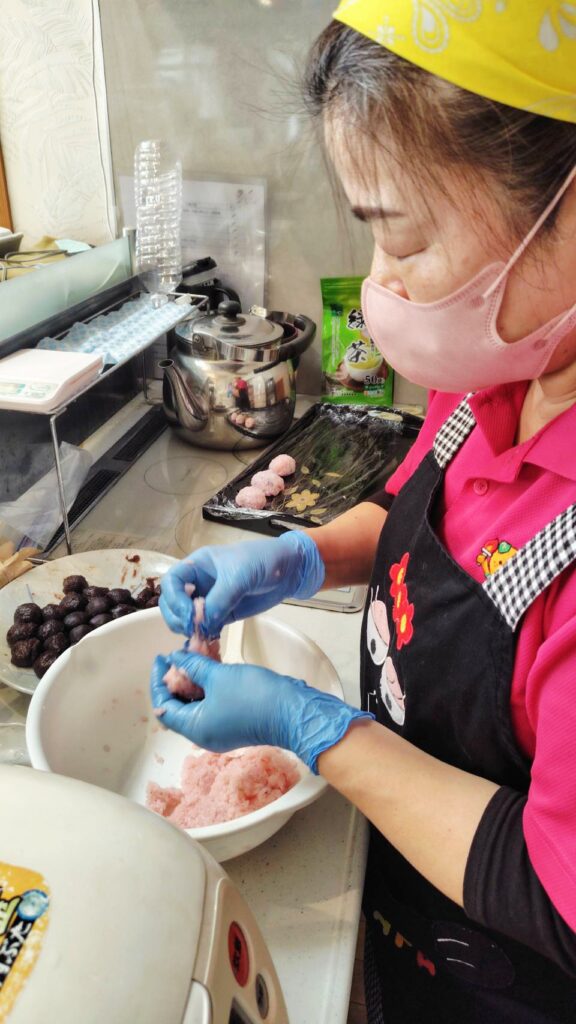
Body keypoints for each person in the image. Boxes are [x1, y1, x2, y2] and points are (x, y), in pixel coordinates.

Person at [151, 3, 576, 1020]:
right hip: (402, 914)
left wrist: (316, 731)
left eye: (404, 237)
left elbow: (556, 893)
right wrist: (301, 557)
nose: (380, 281)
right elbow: (420, 511)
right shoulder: (500, 369)